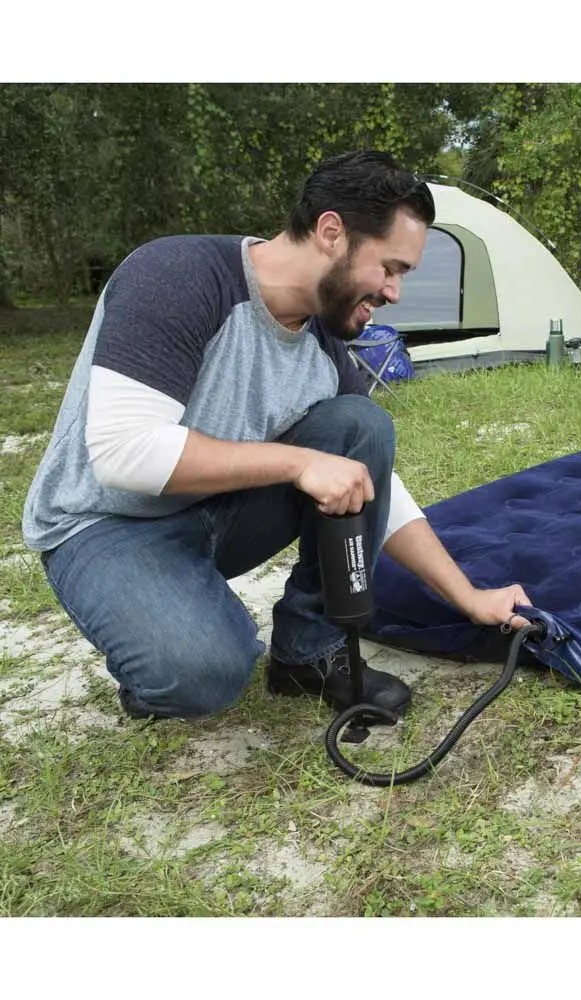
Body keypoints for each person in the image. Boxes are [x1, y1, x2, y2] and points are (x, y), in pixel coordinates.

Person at [21, 150, 531, 723]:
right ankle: (153, 652)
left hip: (214, 513)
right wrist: (297, 463)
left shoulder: (324, 345)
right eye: (390, 268)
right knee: (204, 674)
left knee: (361, 425)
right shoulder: (178, 275)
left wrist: (468, 597)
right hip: (104, 523)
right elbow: (122, 453)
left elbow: (369, 481)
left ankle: (308, 654)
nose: (395, 293)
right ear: (332, 232)